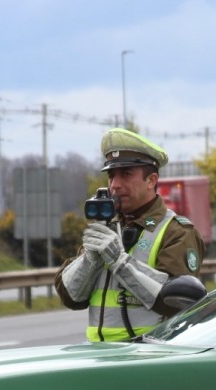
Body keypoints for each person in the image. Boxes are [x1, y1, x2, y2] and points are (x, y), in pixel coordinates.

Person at [55, 128, 206, 343]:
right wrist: (90, 260)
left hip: (147, 358)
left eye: (126, 174)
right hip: (99, 355)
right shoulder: (107, 227)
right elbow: (70, 298)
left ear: (151, 181)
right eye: (111, 175)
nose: (115, 185)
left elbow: (175, 304)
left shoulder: (176, 231)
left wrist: (119, 261)